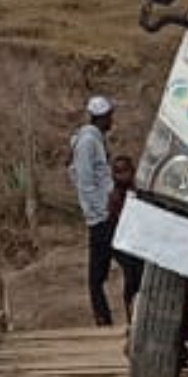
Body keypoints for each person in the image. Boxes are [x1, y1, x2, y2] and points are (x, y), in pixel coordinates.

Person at [70, 96, 118, 326]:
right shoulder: (87, 142)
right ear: (102, 117)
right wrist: (101, 212)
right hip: (102, 217)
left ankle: (106, 317)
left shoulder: (95, 140)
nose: (112, 120)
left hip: (107, 213)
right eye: (110, 116)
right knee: (97, 274)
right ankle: (102, 318)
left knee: (115, 266)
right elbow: (86, 182)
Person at [108, 155, 145, 321]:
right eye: (119, 172)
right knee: (131, 277)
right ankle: (130, 313)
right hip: (124, 244)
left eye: (126, 171)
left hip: (140, 243)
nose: (123, 175)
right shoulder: (115, 197)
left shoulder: (139, 192)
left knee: (142, 279)